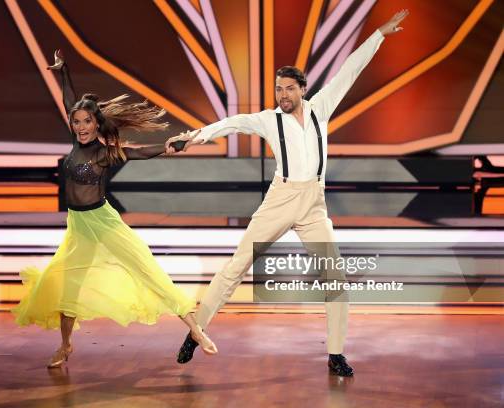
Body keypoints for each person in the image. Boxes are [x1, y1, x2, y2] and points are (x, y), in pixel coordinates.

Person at [166, 10, 410, 377]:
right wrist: (192, 137)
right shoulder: (268, 119)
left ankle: (335, 354)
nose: (282, 94)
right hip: (280, 200)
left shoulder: (320, 109)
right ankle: (196, 332)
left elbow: (350, 71)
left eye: (288, 89)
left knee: (335, 277)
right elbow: (232, 124)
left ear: (302, 90)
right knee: (236, 267)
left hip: (313, 203)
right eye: (278, 89)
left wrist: (378, 34)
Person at [12, 50, 217, 368]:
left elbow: (136, 152)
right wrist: (64, 71)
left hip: (103, 222)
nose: (80, 126)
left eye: (86, 122)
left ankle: (197, 331)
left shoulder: (103, 153)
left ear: (97, 124)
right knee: (67, 284)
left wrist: (166, 147)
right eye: (76, 122)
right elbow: (70, 101)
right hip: (78, 227)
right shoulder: (76, 136)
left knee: (147, 271)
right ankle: (66, 346)